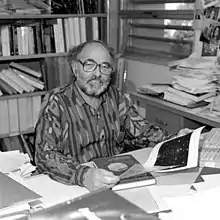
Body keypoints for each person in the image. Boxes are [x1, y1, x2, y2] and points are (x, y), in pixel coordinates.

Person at [34, 40, 192, 191]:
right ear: (75, 68)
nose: (98, 73)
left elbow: (141, 131)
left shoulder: (116, 97)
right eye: (89, 65)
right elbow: (44, 155)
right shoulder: (56, 102)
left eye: (105, 67)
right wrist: (83, 175)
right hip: (74, 185)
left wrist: (175, 139)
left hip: (115, 180)